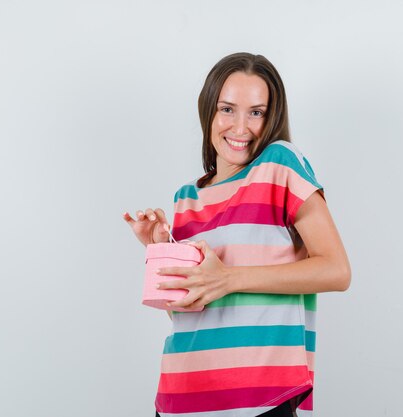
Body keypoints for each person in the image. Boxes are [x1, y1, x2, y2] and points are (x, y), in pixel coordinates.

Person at [123, 52, 351, 417]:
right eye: (227, 109)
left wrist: (228, 279)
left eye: (256, 112)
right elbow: (190, 313)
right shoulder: (187, 197)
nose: (241, 127)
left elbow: (337, 271)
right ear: (208, 111)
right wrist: (159, 249)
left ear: (271, 117)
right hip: (180, 400)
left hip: (258, 402)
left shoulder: (280, 163)